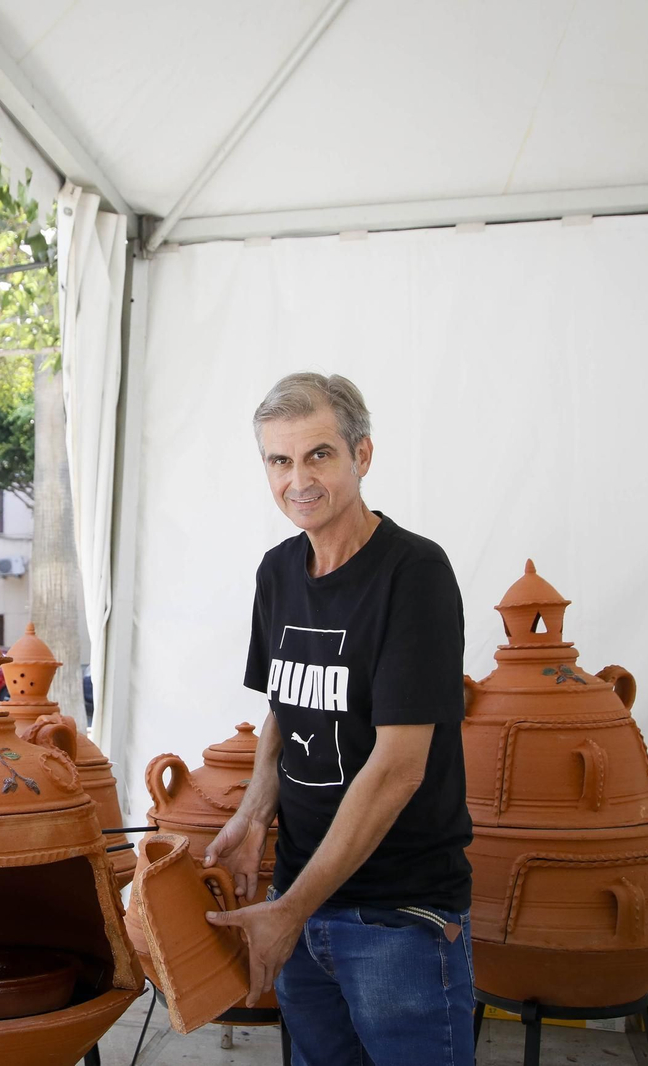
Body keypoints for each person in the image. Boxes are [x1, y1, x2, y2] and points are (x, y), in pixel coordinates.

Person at [204, 372, 474, 1065]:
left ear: (363, 455)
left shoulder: (414, 574)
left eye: (318, 455)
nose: (298, 480)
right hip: (298, 898)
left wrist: (289, 911)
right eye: (280, 460)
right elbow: (283, 709)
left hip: (396, 917)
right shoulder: (277, 572)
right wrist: (253, 816)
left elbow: (398, 769)